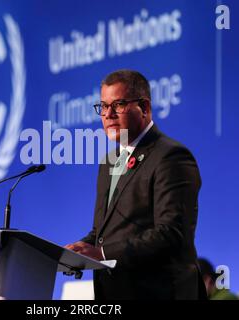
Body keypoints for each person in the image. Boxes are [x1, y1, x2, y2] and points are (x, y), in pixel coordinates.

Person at [65, 69, 205, 300]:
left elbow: (171, 234)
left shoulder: (171, 156)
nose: (108, 114)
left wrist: (101, 253)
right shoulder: (109, 162)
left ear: (145, 108)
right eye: (103, 106)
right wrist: (78, 250)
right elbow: (102, 232)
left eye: (118, 104)